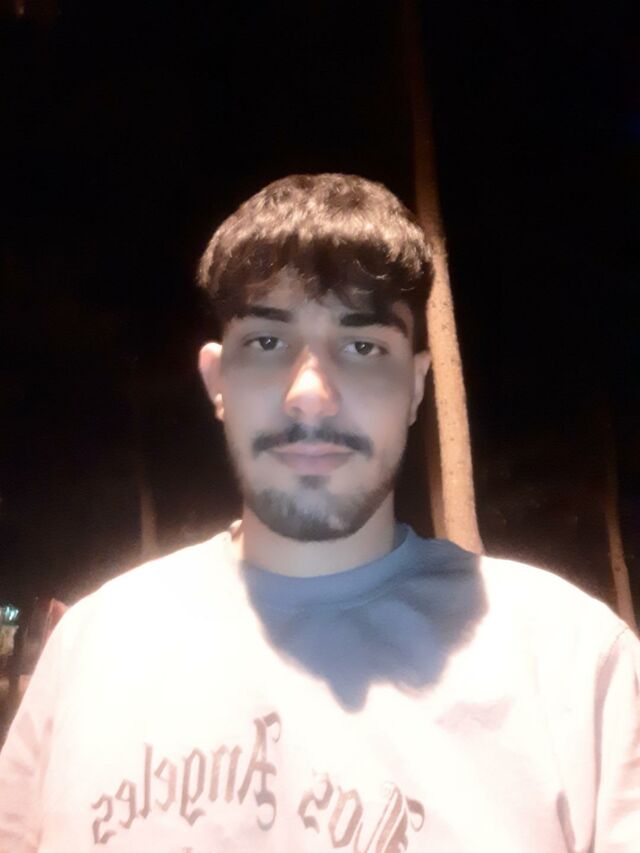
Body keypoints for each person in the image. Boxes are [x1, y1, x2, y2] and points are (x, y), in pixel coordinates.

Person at [0, 173, 638, 852]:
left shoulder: (574, 666)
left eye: (363, 347)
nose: (311, 393)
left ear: (416, 385)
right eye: (267, 343)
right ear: (217, 381)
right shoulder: (92, 648)